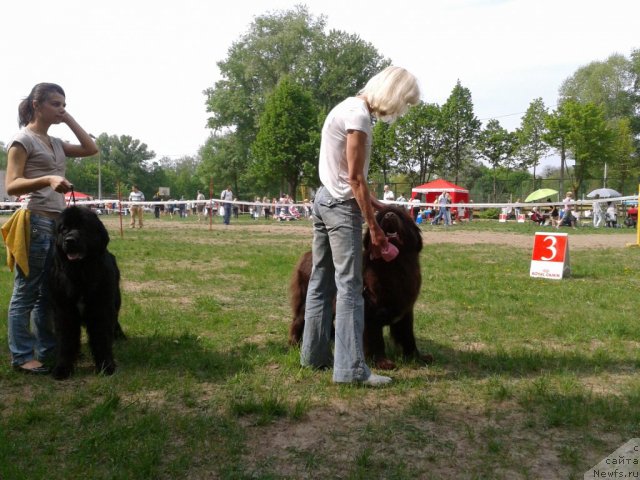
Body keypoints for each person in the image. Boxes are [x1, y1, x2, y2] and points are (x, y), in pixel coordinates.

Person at [300, 66, 420, 386]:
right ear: (393, 94)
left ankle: (313, 357)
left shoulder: (345, 107)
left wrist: (374, 203)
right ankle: (351, 370)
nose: (399, 111)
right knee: (351, 289)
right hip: (340, 208)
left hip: (324, 198)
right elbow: (354, 179)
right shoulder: (360, 117)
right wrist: (374, 227)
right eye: (403, 103)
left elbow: (345, 175)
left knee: (320, 281)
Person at [3, 83, 97, 374]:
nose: (61, 109)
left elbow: (91, 148)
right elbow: (12, 185)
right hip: (36, 221)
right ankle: (21, 356)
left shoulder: (55, 142)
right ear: (36, 104)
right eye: (55, 104)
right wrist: (47, 179)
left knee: (49, 293)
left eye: (64, 104)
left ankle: (47, 349)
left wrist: (67, 119)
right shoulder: (23, 140)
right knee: (26, 292)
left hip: (56, 225)